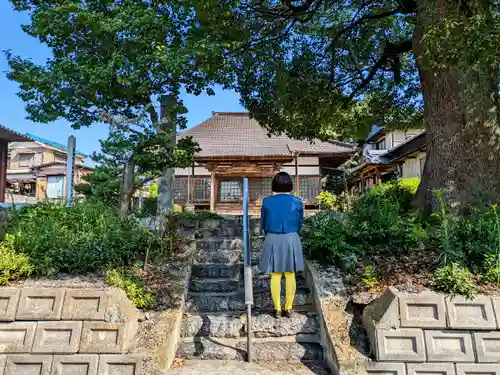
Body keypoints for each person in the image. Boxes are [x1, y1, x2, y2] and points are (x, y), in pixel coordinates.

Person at [259, 171, 305, 319]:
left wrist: (269, 232)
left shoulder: (267, 201)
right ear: (290, 184)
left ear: (274, 184)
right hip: (292, 237)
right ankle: (289, 308)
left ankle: (277, 309)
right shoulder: (297, 201)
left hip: (272, 237)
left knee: (275, 274)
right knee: (290, 274)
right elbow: (300, 222)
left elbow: (264, 222)